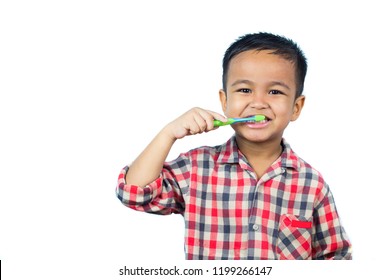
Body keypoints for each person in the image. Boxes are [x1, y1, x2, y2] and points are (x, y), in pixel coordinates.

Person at [116, 32, 352, 260]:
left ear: (296, 107)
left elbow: (336, 257)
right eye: (245, 90)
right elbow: (133, 193)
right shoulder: (196, 169)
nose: (258, 103)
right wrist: (168, 133)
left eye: (275, 91)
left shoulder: (312, 185)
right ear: (225, 101)